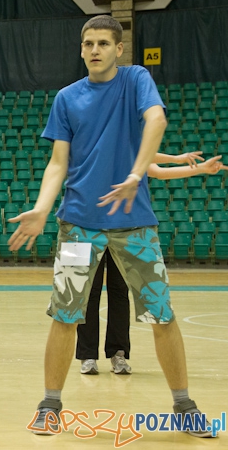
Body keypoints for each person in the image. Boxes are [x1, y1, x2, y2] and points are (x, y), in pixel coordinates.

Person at [8, 15, 215, 438]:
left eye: (104, 43)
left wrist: (138, 174)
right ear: (81, 48)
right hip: (78, 225)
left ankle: (184, 405)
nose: (95, 49)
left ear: (119, 49)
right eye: (89, 43)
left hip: (135, 225)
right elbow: (57, 163)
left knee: (162, 315)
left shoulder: (136, 80)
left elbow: (156, 121)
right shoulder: (66, 98)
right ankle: (50, 404)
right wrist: (43, 207)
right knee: (65, 316)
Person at [77, 152, 225, 376]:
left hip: (126, 229)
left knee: (119, 292)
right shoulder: (93, 147)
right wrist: (178, 159)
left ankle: (118, 353)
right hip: (88, 227)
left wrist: (197, 167)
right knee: (88, 293)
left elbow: (156, 170)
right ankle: (87, 355)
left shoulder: (130, 148)